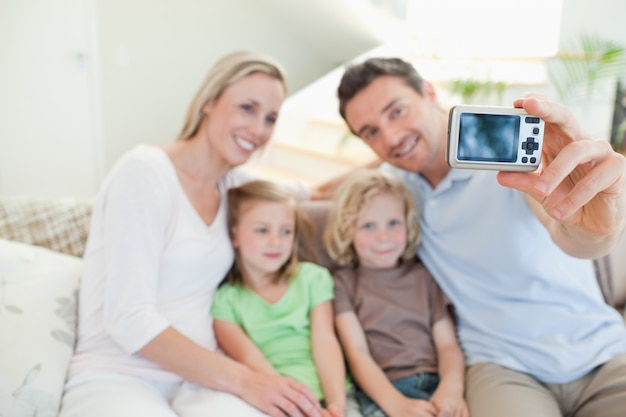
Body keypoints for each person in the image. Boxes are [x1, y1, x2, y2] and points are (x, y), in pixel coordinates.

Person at [333, 57, 626, 417]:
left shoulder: (509, 161)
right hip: (500, 366)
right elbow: (352, 180)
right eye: (370, 132)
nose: (390, 138)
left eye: (396, 112)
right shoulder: (397, 194)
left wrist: (598, 230)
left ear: (429, 92)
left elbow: (573, 237)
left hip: (603, 351)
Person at [59, 51, 323, 417]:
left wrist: (396, 165)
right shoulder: (145, 172)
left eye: (271, 118)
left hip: (201, 382)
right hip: (118, 374)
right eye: (247, 108)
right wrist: (248, 381)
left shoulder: (236, 187)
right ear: (209, 103)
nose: (259, 129)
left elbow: (313, 193)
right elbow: (127, 316)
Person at [174, 180, 360, 417]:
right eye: (262, 230)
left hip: (334, 395)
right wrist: (297, 407)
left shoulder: (313, 278)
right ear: (235, 236)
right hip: (275, 400)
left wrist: (336, 407)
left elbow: (325, 343)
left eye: (286, 231)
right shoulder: (226, 301)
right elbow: (251, 360)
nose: (276, 242)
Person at [324, 168, 468, 417]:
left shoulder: (423, 276)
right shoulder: (343, 282)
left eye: (393, 223)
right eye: (368, 226)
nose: (384, 237)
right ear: (348, 231)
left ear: (407, 223)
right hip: (383, 393)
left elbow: (447, 345)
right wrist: (396, 404)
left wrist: (451, 389)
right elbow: (356, 352)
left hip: (436, 386)